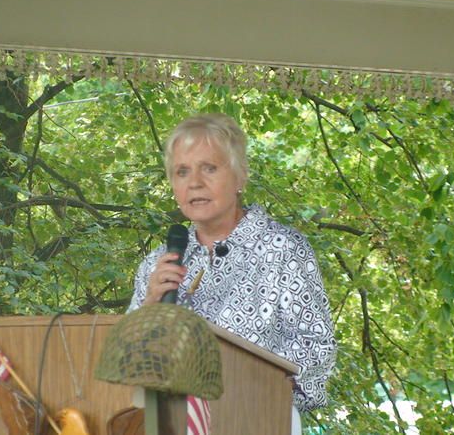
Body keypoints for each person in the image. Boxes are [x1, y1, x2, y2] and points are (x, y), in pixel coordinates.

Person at [128, 113, 336, 433]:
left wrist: (245, 380)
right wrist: (150, 306)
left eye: (209, 168)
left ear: (240, 177)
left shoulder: (282, 249)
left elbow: (317, 349)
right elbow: (127, 363)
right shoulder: (158, 263)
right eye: (182, 171)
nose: (195, 182)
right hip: (169, 423)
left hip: (257, 420)